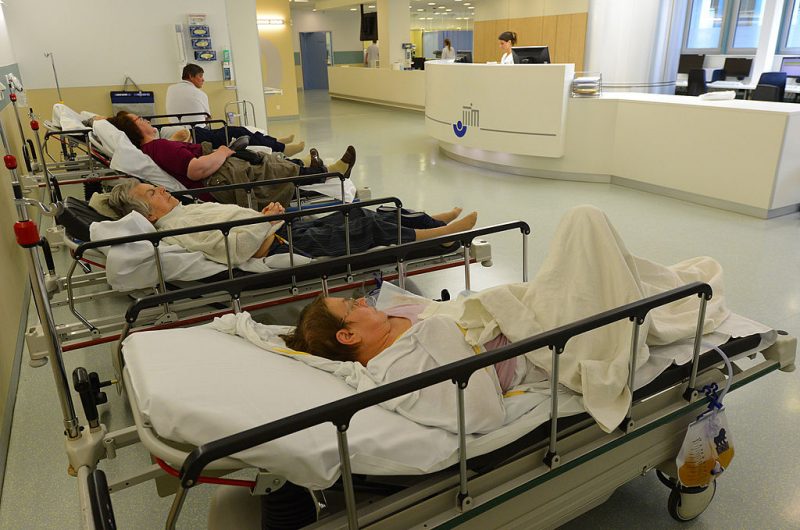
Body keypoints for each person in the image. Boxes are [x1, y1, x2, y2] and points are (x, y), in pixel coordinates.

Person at [281, 205, 730, 434]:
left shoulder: (394, 312)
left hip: (522, 309)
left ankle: (667, 287)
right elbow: (480, 414)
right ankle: (676, 293)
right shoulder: (394, 372)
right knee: (585, 224)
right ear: (347, 335)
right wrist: (442, 331)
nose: (361, 301)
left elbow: (453, 312)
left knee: (593, 259)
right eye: (352, 309)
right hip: (544, 342)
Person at [107, 179, 478, 266]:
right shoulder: (176, 229)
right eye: (152, 193)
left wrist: (264, 219)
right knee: (367, 228)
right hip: (283, 245)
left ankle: (432, 220)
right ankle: (441, 237)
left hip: (277, 229)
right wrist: (265, 221)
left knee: (355, 211)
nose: (161, 189)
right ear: (148, 214)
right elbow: (233, 249)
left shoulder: (181, 211)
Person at [107, 111, 355, 209]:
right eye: (139, 120)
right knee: (267, 167)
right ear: (134, 129)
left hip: (215, 177)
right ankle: (331, 173)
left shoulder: (157, 147)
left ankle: (321, 170)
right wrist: (224, 152)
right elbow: (196, 170)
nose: (145, 119)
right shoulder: (157, 147)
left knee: (263, 160)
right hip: (217, 184)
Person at [166, 63, 305, 157]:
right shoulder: (199, 93)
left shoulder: (170, 89)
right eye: (200, 76)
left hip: (183, 132)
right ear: (191, 76)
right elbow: (208, 118)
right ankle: (283, 149)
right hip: (198, 135)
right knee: (241, 132)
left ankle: (276, 141)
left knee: (245, 131)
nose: (203, 80)